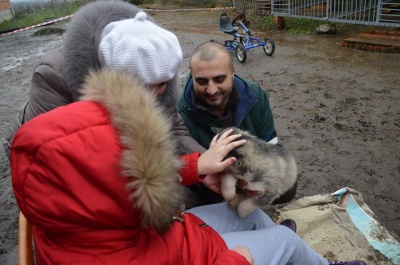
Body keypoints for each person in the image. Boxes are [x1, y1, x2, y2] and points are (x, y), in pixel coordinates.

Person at [177, 41, 297, 205]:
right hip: (205, 181)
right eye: (202, 81)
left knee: (287, 186)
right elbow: (178, 166)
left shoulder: (255, 95)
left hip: (248, 171)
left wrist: (248, 177)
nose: (211, 90)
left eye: (219, 79)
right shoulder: (177, 111)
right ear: (192, 75)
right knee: (186, 199)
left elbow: (272, 149)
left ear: (233, 72)